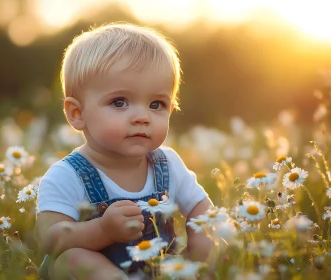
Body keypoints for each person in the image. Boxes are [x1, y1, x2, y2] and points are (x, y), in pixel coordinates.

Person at [36, 23, 214, 280]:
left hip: (157, 270)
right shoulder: (66, 175)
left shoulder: (168, 164)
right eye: (119, 102)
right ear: (78, 114)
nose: (142, 117)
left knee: (213, 244)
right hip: (96, 272)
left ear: (171, 110)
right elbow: (50, 239)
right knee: (69, 260)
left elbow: (202, 207)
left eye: (156, 104)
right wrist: (102, 230)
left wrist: (202, 240)